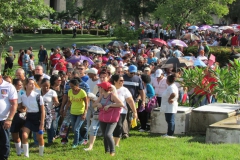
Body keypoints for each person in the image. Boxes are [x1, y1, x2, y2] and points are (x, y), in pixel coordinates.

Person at [93, 82, 124, 156]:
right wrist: (98, 104)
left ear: (103, 88)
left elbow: (121, 104)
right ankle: (107, 151)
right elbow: (93, 105)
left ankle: (112, 151)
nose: (98, 89)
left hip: (112, 119)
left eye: (99, 87)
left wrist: (110, 105)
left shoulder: (112, 95)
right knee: (105, 135)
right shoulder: (101, 96)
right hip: (103, 118)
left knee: (108, 134)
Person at [19, 78, 45, 157]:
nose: (33, 85)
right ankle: (26, 154)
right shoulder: (22, 96)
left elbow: (43, 110)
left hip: (38, 117)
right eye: (31, 84)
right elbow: (20, 107)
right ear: (26, 85)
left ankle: (41, 154)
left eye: (33, 84)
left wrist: (42, 123)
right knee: (24, 135)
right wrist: (22, 109)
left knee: (39, 137)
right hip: (29, 117)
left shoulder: (38, 96)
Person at [111, 74, 137, 146]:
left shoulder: (124, 90)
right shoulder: (110, 89)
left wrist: (135, 111)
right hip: (110, 111)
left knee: (119, 126)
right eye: (120, 80)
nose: (122, 82)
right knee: (111, 126)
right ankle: (111, 141)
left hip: (121, 111)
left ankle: (116, 143)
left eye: (123, 80)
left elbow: (130, 101)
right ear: (115, 81)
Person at [64, 77, 88, 148]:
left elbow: (86, 103)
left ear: (77, 85)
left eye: (72, 86)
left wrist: (85, 113)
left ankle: (75, 143)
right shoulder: (70, 92)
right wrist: (65, 110)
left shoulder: (82, 92)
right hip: (73, 112)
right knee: (74, 128)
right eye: (70, 86)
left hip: (80, 112)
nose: (71, 88)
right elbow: (69, 102)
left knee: (76, 129)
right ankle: (81, 139)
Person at [123, 65, 145, 138]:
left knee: (129, 117)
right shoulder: (122, 78)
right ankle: (124, 132)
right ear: (128, 71)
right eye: (131, 73)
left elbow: (141, 91)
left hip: (132, 101)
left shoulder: (138, 79)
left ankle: (126, 132)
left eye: (134, 73)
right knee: (123, 116)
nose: (133, 74)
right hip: (122, 101)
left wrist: (143, 101)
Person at [0, 74, 18, 160]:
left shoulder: (9, 87)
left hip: (3, 120)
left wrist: (9, 119)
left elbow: (14, 104)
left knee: (4, 143)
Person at [40, 78, 59, 144]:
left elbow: (56, 102)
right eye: (44, 85)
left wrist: (56, 103)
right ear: (41, 84)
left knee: (50, 127)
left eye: (47, 86)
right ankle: (39, 141)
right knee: (40, 126)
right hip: (40, 112)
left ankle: (50, 141)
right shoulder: (37, 92)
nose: (46, 87)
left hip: (50, 111)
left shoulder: (52, 92)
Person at [10, 79, 25, 156]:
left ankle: (23, 150)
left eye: (21, 85)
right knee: (14, 134)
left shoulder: (23, 92)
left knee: (23, 133)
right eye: (19, 85)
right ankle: (18, 151)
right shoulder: (11, 93)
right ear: (14, 85)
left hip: (22, 115)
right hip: (13, 115)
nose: (21, 86)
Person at [50, 74, 64, 140]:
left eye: (60, 80)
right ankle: (54, 134)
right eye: (58, 80)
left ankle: (56, 133)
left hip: (62, 106)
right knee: (54, 122)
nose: (60, 81)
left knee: (56, 121)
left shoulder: (62, 87)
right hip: (53, 107)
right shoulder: (50, 88)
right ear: (54, 80)